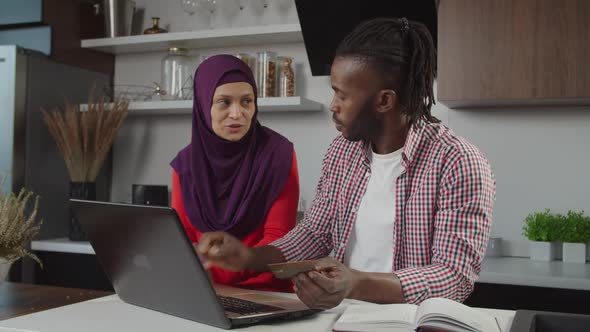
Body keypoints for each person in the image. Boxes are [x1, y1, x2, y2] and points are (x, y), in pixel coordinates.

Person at [196, 17, 496, 308]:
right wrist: (248, 257)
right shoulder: (342, 152)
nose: (333, 105)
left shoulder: (458, 162)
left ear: (384, 101)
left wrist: (355, 283)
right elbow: (315, 233)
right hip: (344, 317)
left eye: (342, 95)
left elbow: (454, 276)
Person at [170, 54, 299, 292]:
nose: (237, 113)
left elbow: (279, 240)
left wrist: (223, 267)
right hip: (206, 292)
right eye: (224, 102)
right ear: (202, 103)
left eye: (246, 101)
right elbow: (183, 240)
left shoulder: (278, 154)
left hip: (266, 293)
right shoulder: (185, 164)